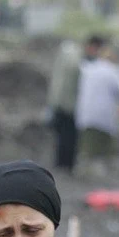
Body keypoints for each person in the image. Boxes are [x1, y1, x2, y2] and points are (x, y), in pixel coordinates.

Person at [74, 36, 119, 163]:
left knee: (87, 152)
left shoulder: (88, 69)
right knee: (101, 155)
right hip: (102, 120)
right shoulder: (112, 71)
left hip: (85, 118)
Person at [48, 40, 84, 172]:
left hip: (60, 104)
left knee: (62, 137)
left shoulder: (63, 61)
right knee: (68, 137)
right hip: (69, 107)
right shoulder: (74, 62)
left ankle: (61, 163)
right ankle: (66, 164)